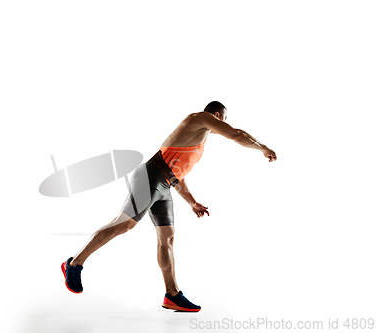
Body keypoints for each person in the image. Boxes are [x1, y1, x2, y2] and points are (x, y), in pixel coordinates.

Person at [61, 101, 277, 312]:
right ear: (218, 117)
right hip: (151, 176)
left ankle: (172, 295)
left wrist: (192, 202)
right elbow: (238, 135)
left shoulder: (198, 139)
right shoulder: (200, 118)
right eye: (225, 121)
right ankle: (73, 264)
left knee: (167, 237)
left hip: (164, 184)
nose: (224, 128)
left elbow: (178, 175)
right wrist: (263, 148)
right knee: (124, 225)